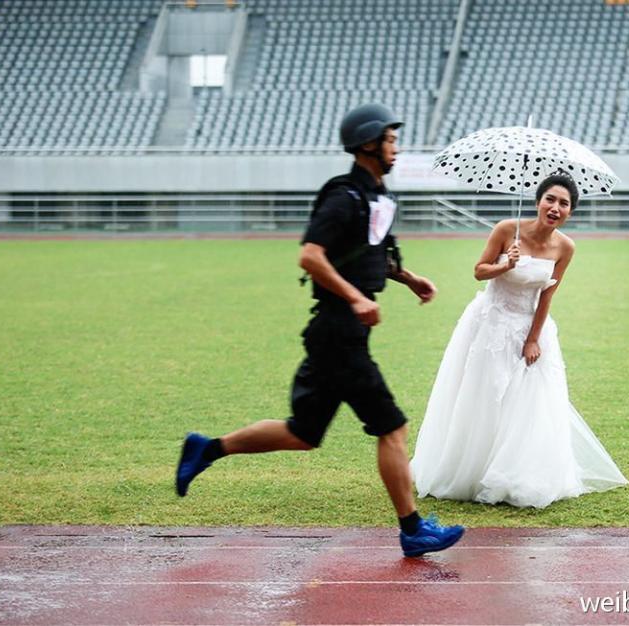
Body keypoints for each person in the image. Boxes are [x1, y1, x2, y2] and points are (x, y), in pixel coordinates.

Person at [175, 103, 464, 557]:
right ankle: (412, 530)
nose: (396, 147)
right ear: (368, 144)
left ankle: (206, 449)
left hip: (337, 333)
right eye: (390, 139)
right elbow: (311, 255)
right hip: (339, 331)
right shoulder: (343, 195)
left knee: (302, 434)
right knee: (393, 428)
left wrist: (408, 280)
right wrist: (355, 298)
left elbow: (368, 254)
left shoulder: (376, 198)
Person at [410, 173, 629, 509]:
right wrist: (504, 264)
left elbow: (547, 296)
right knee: (486, 395)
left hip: (531, 327)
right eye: (550, 200)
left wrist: (533, 339)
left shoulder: (565, 247)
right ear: (538, 201)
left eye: (564, 204)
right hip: (491, 323)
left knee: (530, 402)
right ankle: (473, 470)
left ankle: (517, 474)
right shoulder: (505, 229)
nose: (555, 208)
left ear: (571, 211)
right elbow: (478, 271)